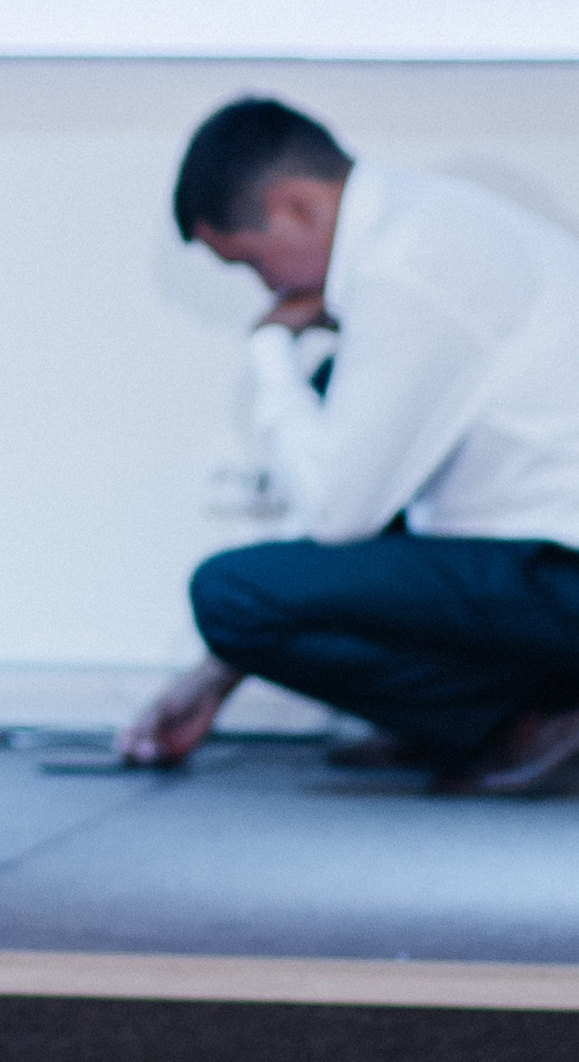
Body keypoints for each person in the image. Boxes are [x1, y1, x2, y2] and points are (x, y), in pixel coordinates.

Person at [122, 98, 579, 795]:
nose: (269, 288)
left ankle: (523, 720)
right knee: (339, 396)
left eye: (252, 263)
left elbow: (341, 514)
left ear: (295, 206)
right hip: (545, 565)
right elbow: (356, 495)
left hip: (560, 575)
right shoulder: (428, 224)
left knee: (228, 592)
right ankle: (489, 712)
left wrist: (271, 349)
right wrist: (212, 674)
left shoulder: (406, 270)